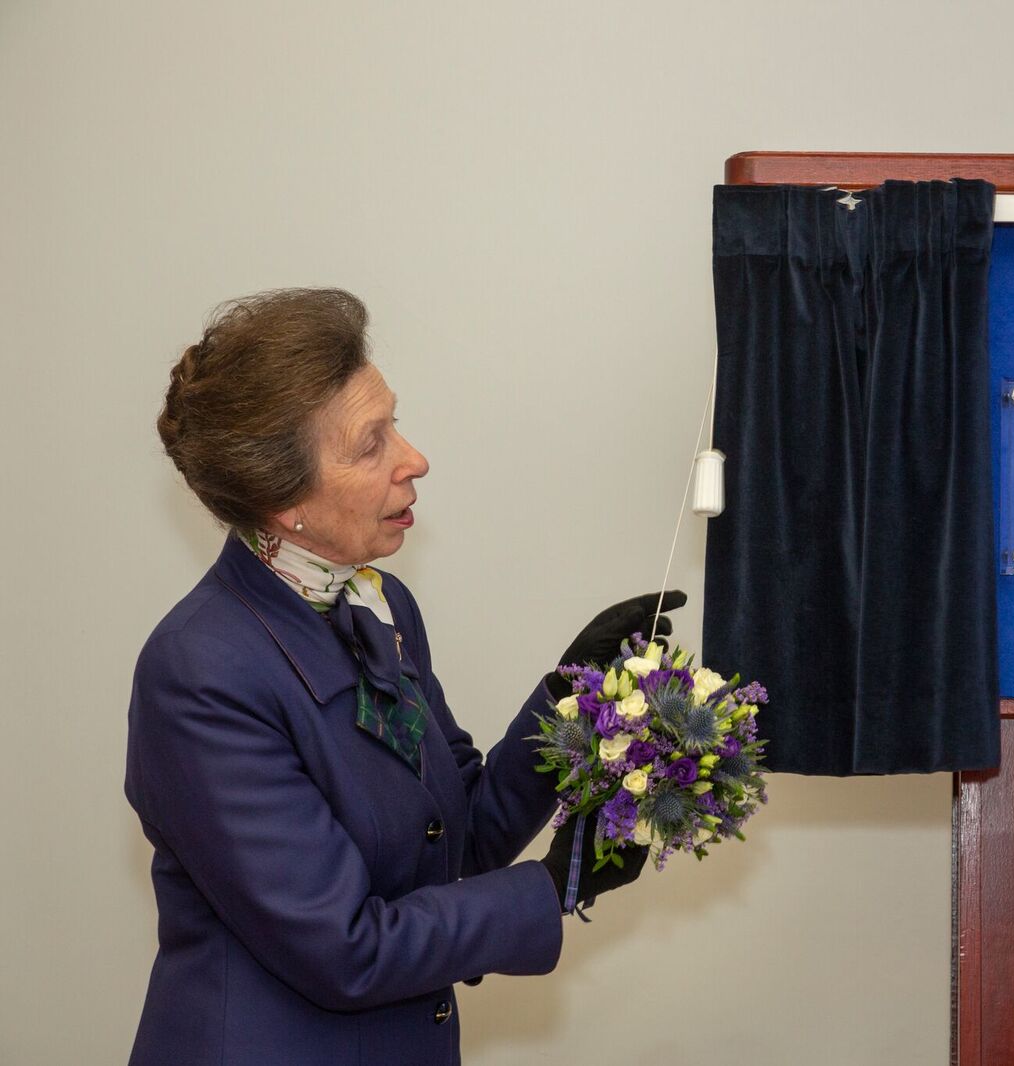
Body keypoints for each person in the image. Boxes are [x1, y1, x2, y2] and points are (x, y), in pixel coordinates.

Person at [125, 288, 680, 1065]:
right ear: (282, 501)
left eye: (397, 425)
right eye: (371, 444)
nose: (414, 460)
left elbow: (449, 849)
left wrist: (573, 702)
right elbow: (344, 949)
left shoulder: (377, 606)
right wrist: (553, 888)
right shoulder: (200, 672)